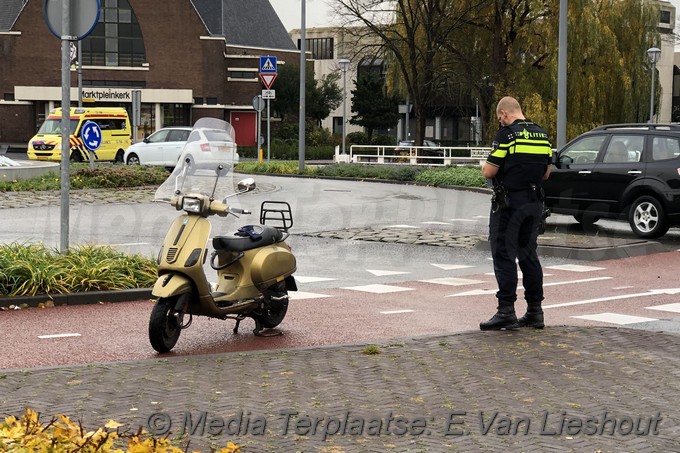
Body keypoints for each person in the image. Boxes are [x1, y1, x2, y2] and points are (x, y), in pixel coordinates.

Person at [480, 96, 552, 331]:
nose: (500, 122)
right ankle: (535, 312)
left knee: (504, 254)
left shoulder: (506, 135)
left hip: (509, 203)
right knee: (529, 255)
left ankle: (506, 311)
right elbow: (545, 174)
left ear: (504, 114)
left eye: (500, 117)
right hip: (534, 203)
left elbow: (489, 171)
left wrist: (485, 166)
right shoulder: (542, 135)